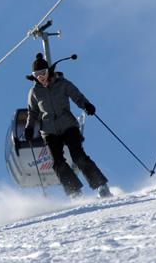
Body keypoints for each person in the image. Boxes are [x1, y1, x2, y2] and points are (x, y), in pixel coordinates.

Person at [24, 53, 112, 198]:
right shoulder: (34, 92)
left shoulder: (62, 84)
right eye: (37, 75)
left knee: (78, 156)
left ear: (48, 71)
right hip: (49, 131)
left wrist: (86, 105)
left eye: (43, 73)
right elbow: (32, 112)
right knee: (58, 162)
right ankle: (74, 191)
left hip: (68, 125)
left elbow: (76, 95)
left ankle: (101, 185)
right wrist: (29, 128)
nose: (41, 77)